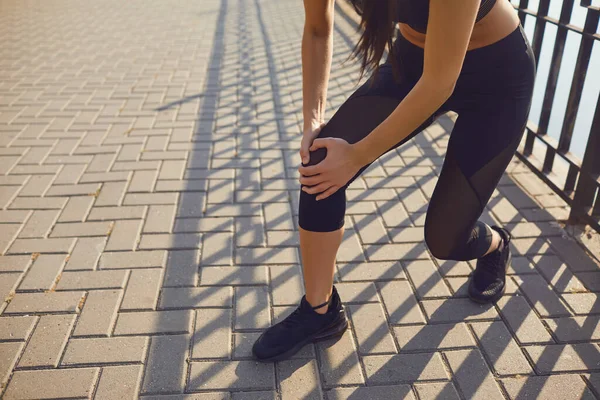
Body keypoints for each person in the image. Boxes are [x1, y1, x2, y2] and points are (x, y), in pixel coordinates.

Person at [252, 0, 536, 362]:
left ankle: (495, 244)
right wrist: (313, 121)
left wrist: (357, 156)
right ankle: (319, 311)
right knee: (320, 161)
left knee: (445, 241)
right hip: (414, 63)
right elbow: (318, 28)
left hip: (496, 80)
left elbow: (439, 84)